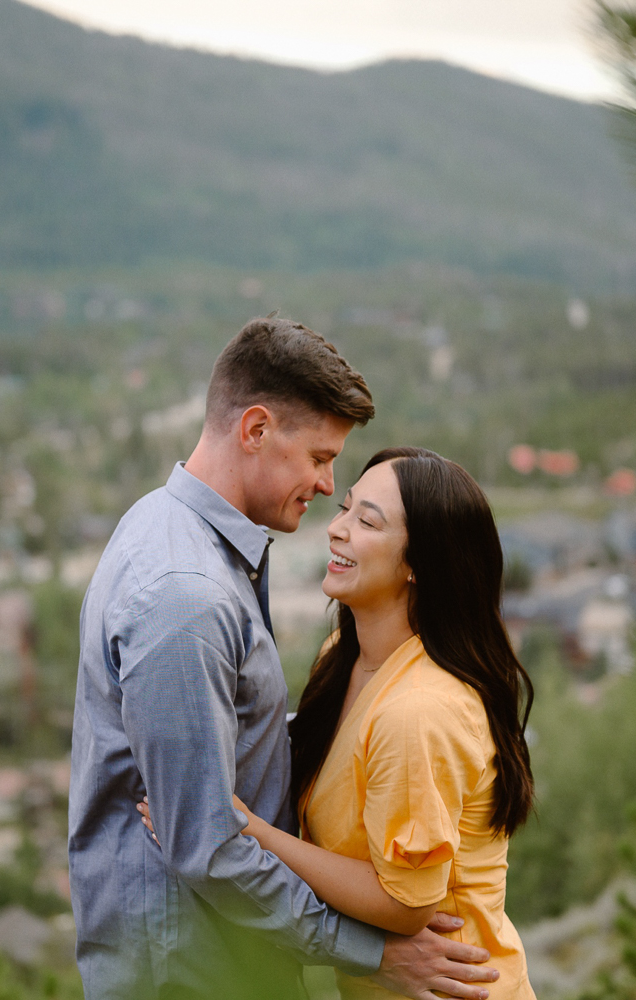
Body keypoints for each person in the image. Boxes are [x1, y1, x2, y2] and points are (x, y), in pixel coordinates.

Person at [69, 318, 502, 1000]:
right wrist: (371, 954)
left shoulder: (179, 539)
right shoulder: (188, 597)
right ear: (257, 429)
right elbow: (207, 847)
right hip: (192, 972)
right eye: (321, 458)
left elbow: (235, 745)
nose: (328, 488)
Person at [142, 447, 539, 999]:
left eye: (367, 521)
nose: (337, 530)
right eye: (345, 509)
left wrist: (247, 830)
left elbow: (404, 904)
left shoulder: (418, 712)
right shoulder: (343, 658)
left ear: (418, 562)